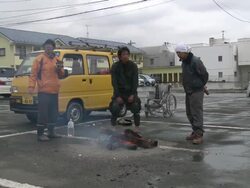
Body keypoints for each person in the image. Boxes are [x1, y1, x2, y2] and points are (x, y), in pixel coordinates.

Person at [28, 39, 64, 141]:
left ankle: (51, 132)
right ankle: (40, 134)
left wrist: (60, 69)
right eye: (47, 46)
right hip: (43, 91)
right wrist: (31, 87)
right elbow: (33, 74)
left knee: (54, 113)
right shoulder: (39, 59)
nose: (48, 47)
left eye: (50, 46)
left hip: (55, 91)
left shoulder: (57, 59)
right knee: (43, 113)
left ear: (53, 48)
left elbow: (61, 75)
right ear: (44, 47)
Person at [175, 43, 209, 144]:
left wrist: (201, 85)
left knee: (196, 113)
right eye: (177, 53)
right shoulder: (184, 62)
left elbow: (204, 75)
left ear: (185, 52)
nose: (178, 55)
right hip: (188, 91)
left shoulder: (195, 61)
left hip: (196, 91)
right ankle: (195, 131)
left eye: (179, 53)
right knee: (189, 113)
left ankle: (199, 135)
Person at [109, 47, 141, 128]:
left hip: (130, 93)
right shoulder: (115, 66)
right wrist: (118, 96)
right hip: (119, 93)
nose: (125, 56)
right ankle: (113, 126)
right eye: (123, 54)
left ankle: (137, 127)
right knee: (115, 107)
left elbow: (135, 81)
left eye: (127, 54)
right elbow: (114, 82)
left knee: (136, 106)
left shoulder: (133, 66)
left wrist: (133, 94)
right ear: (119, 56)